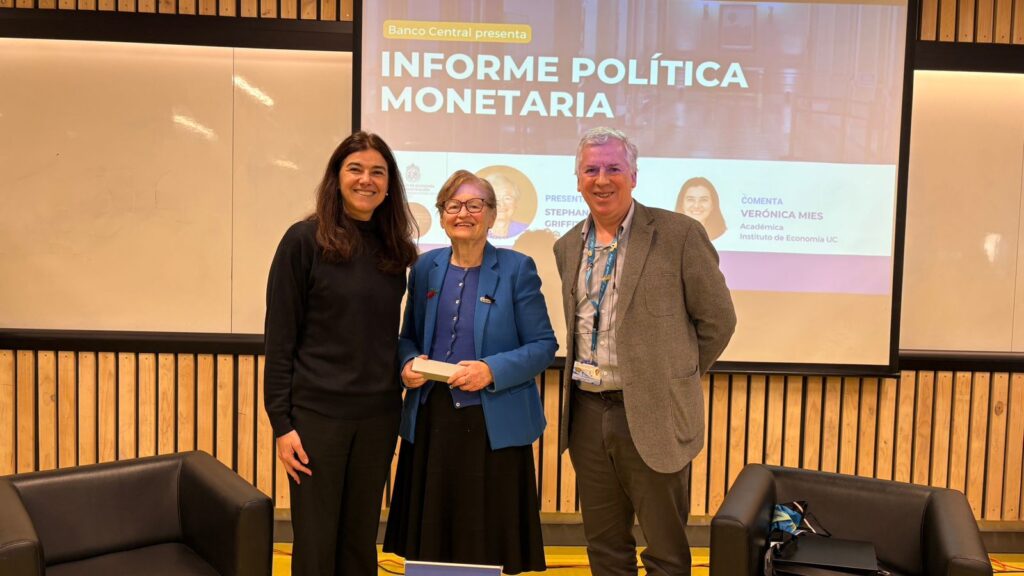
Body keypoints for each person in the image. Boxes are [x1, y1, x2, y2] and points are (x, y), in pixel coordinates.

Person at [553, 127, 736, 576]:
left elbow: (718, 321)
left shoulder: (679, 234)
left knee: (666, 553)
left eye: (613, 168)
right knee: (604, 548)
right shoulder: (567, 246)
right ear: (577, 180)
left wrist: (674, 376)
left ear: (633, 176)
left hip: (656, 413)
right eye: (591, 170)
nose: (602, 180)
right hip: (587, 414)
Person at [383, 169, 556, 575]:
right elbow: (407, 338)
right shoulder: (424, 268)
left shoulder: (517, 269)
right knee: (431, 544)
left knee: (485, 542)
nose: (463, 213)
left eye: (475, 205)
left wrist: (490, 370)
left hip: (493, 429)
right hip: (432, 422)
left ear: (492, 215)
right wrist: (407, 363)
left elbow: (543, 346)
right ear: (442, 216)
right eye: (453, 205)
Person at [263, 131, 418, 576]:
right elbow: (279, 339)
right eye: (355, 169)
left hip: (378, 418)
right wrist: (282, 424)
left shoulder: (394, 249)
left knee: (359, 540)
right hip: (317, 420)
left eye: (377, 172)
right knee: (316, 542)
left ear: (389, 185)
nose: (366, 180)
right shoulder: (303, 241)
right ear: (337, 177)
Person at [486, 172, 529, 238]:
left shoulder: (526, 231)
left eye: (507, 198)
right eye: (495, 198)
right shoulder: (475, 232)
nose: (501, 204)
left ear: (515, 203)